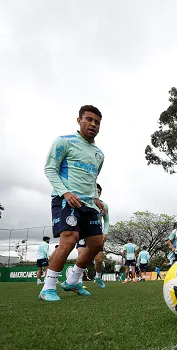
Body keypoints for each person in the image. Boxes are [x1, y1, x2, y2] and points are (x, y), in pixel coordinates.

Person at [39, 105, 105, 301]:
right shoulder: (63, 142)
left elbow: (92, 179)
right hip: (65, 200)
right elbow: (50, 169)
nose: (93, 124)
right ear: (79, 120)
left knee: (96, 243)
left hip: (88, 204)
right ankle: (48, 288)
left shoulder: (99, 154)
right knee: (69, 240)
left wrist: (95, 198)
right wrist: (65, 193)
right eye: (89, 119)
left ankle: (73, 281)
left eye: (97, 122)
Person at [68, 183, 109, 288]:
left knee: (99, 259)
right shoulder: (82, 202)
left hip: (96, 233)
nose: (96, 193)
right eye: (95, 191)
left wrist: (105, 232)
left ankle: (98, 277)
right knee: (82, 255)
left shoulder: (104, 205)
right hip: (83, 233)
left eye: (98, 192)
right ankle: (78, 281)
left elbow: (107, 220)